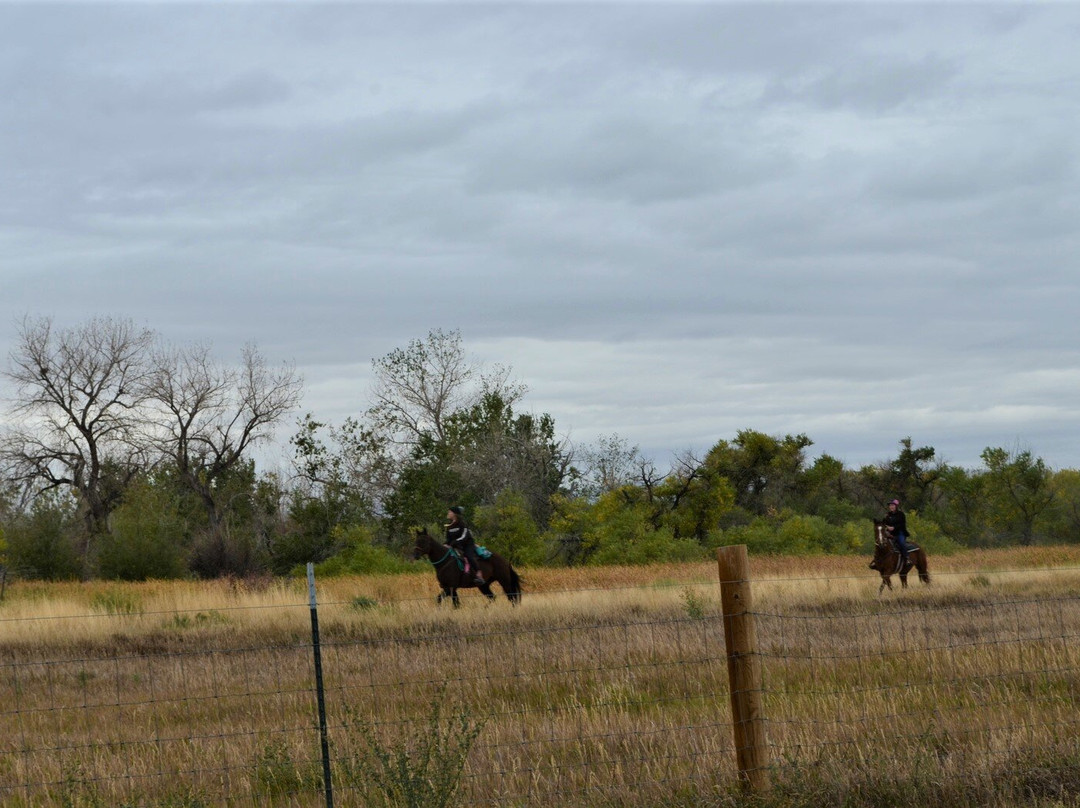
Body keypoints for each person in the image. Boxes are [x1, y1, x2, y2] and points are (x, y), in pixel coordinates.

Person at [445, 505, 485, 585]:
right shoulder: (449, 526)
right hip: (457, 546)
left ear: (455, 514)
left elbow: (464, 536)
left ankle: (479, 574)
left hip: (467, 544)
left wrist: (454, 543)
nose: (448, 513)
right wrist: (445, 545)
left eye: (450, 512)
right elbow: (448, 539)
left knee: (468, 556)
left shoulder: (462, 524)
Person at [883, 498, 910, 567]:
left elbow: (902, 524)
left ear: (896, 506)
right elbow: (884, 523)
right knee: (881, 543)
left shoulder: (901, 514)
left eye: (893, 505)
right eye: (890, 505)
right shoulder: (887, 515)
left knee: (901, 543)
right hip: (890, 534)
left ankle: (907, 558)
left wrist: (893, 527)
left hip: (900, 533)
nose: (891, 507)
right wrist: (886, 527)